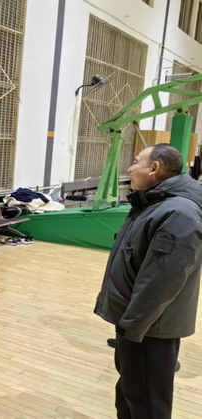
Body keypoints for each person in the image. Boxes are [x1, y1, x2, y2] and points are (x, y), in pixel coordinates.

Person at [94, 144, 202, 417]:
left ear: (154, 168)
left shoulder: (178, 213)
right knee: (131, 394)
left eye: (135, 162)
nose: (130, 169)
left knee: (148, 404)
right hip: (136, 324)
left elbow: (161, 283)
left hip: (148, 329)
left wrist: (132, 327)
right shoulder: (154, 204)